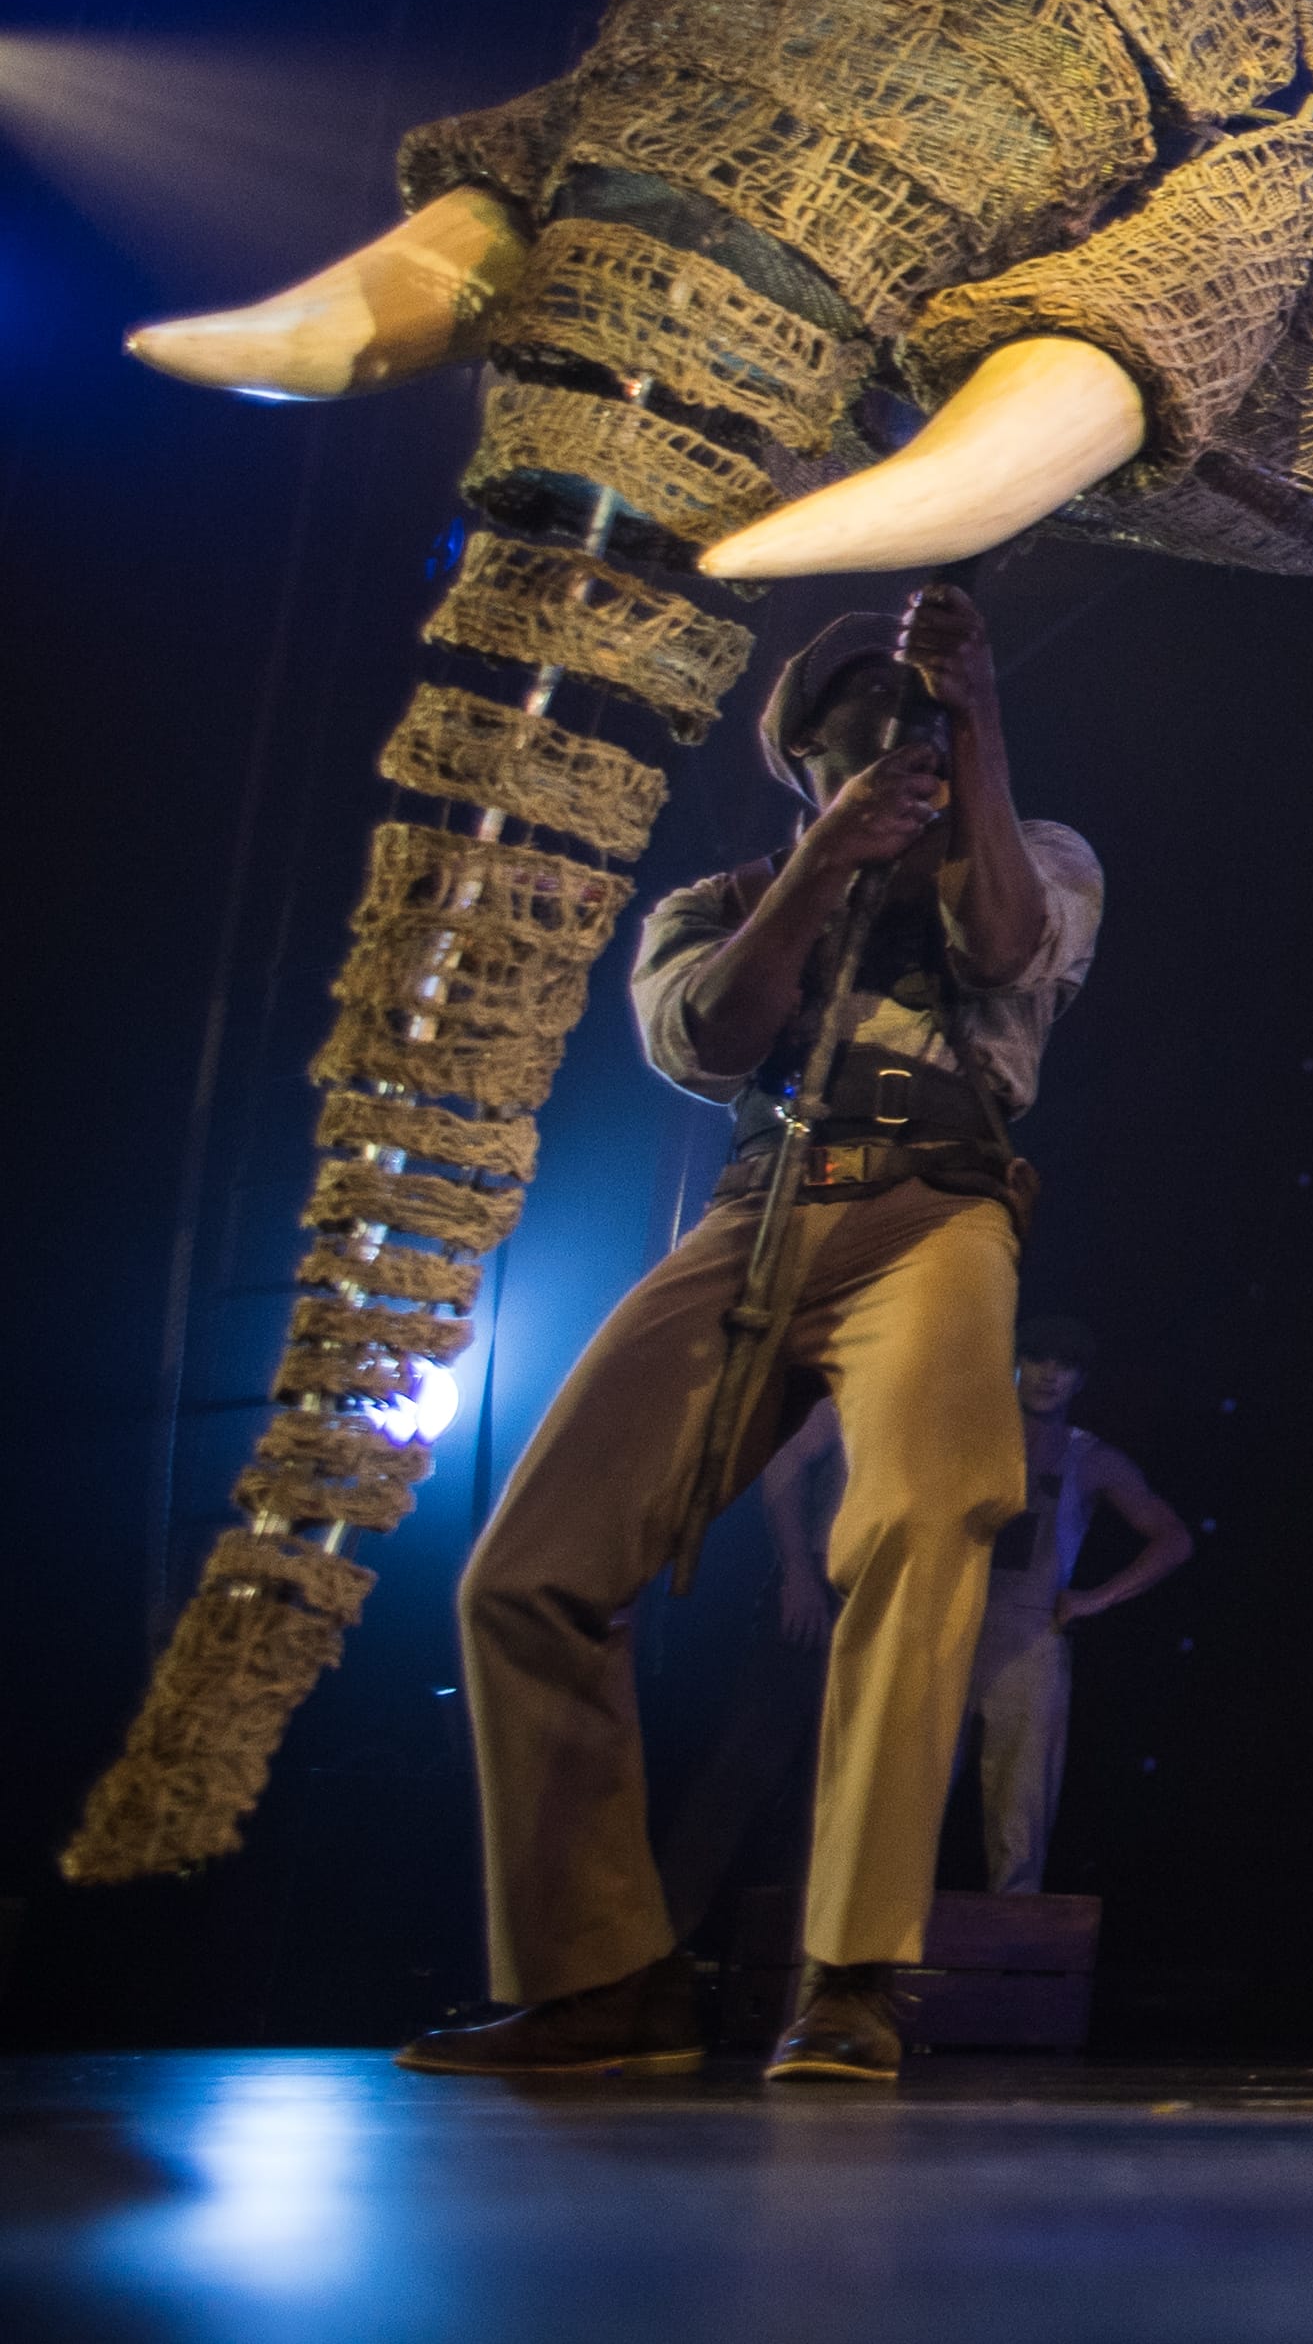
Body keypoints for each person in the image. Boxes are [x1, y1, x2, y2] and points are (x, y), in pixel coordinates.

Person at [398, 582, 1102, 2085]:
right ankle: (604, 1978)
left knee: (925, 1510)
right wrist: (822, 864)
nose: (898, 746)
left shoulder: (1035, 849)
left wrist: (982, 722)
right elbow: (712, 1041)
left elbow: (1002, 953)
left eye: (917, 723)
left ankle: (852, 1974)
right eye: (863, 726)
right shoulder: (712, 902)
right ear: (803, 757)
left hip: (938, 1202)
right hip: (758, 1209)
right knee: (525, 1574)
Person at [960, 1317, 1192, 1894]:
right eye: (1038, 1358)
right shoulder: (969, 1434)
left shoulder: (1091, 1458)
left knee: (1019, 1812)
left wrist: (1096, 1598)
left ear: (1080, 1380)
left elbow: (1174, 1539)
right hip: (948, 1624)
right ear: (1016, 1362)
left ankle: (1013, 1940)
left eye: (1063, 1365)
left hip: (1030, 1634)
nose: (1048, 1374)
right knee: (909, 1791)